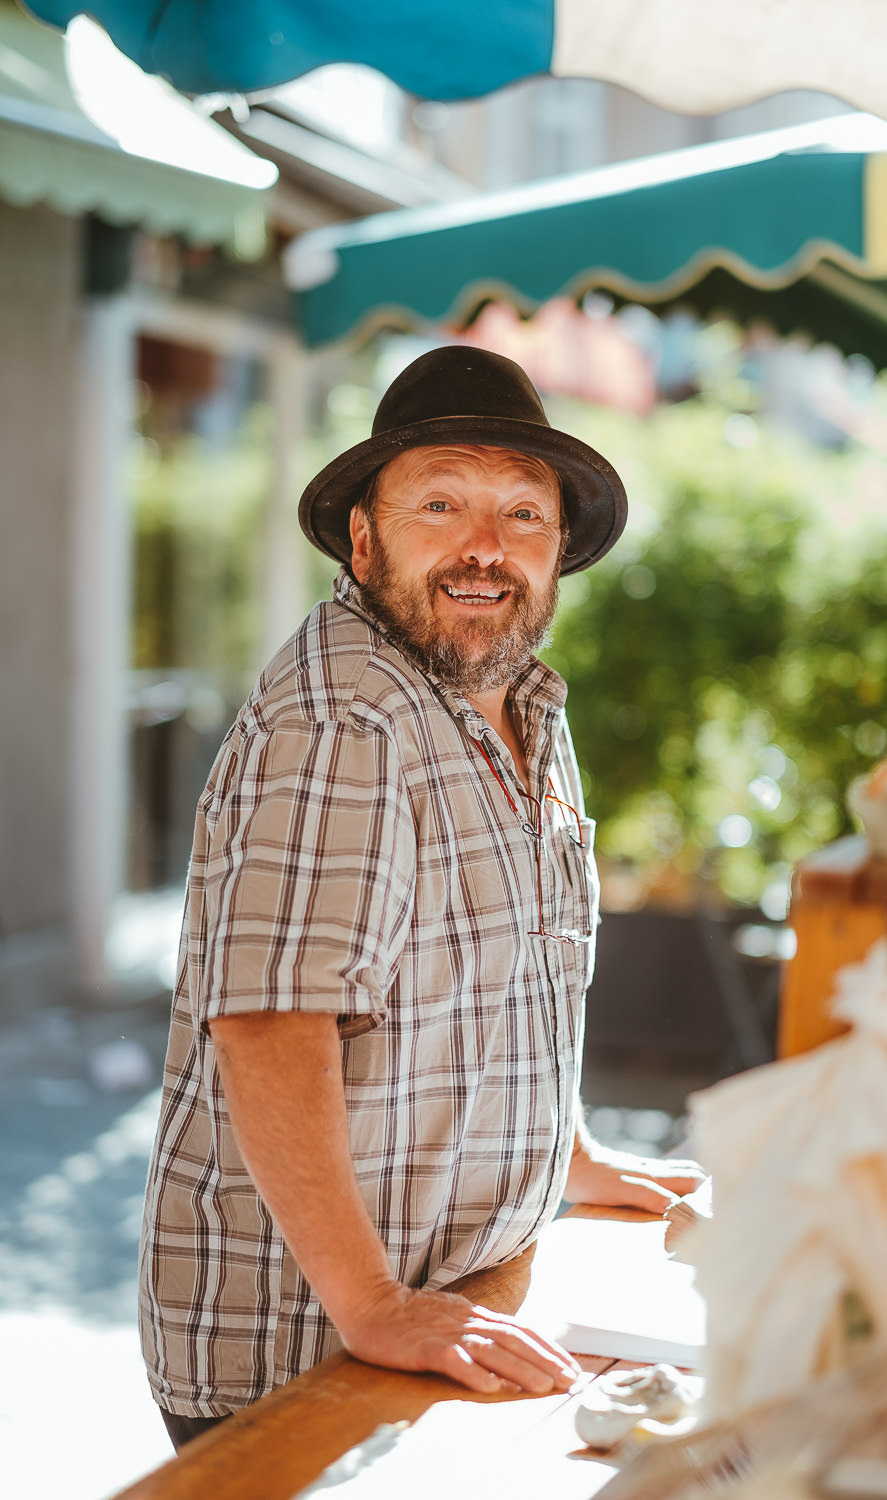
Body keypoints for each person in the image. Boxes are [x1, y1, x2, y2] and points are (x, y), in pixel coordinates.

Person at [139, 346, 704, 1451]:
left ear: (557, 551)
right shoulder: (345, 720)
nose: (485, 547)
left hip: (461, 1291)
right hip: (308, 1346)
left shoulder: (513, 698)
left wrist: (566, 1157)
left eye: (521, 515)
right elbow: (268, 1026)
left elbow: (512, 973)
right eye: (440, 504)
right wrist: (376, 1306)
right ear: (364, 536)